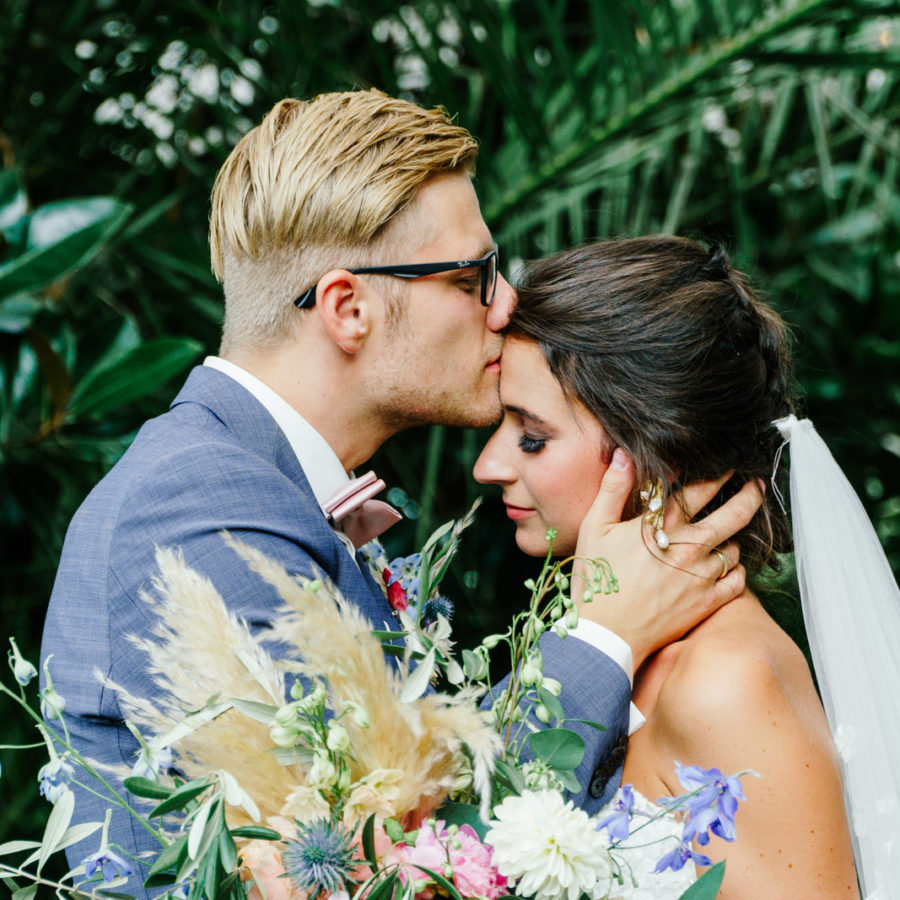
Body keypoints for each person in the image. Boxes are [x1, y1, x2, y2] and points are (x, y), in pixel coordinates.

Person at [41, 94, 758, 896]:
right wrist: (602, 635)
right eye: (473, 277)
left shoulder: (256, 487)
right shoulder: (200, 510)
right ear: (349, 309)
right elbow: (376, 862)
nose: (506, 304)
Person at [474, 236, 877, 898]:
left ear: (658, 455)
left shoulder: (726, 683)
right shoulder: (612, 642)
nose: (487, 465)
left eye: (532, 437)